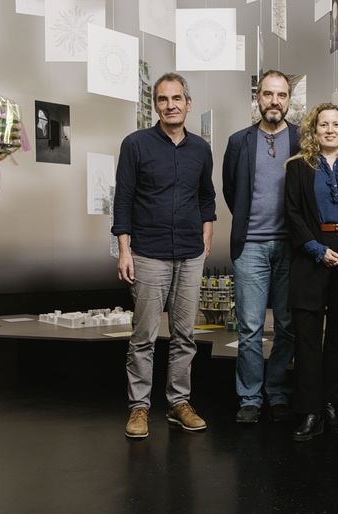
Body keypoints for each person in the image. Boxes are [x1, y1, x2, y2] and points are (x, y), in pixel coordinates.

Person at [112, 72, 216, 439]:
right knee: (144, 336)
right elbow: (123, 199)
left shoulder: (201, 149)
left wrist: (207, 233)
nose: (170, 105)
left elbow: (206, 196)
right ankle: (139, 408)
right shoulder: (135, 144)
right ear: (155, 105)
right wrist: (124, 251)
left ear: (188, 104)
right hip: (148, 253)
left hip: (190, 253)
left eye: (176, 99)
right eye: (162, 99)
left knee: (185, 335)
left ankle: (178, 403)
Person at [284, 103, 338, 442]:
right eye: (324, 124)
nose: (330, 130)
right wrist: (318, 250)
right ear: (314, 130)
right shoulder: (297, 167)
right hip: (311, 256)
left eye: (336, 124)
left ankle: (334, 404)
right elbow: (292, 214)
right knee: (307, 340)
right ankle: (311, 411)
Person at [223, 70, 300, 425]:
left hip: (292, 247)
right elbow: (231, 191)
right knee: (250, 328)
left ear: (288, 100)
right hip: (250, 245)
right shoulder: (239, 141)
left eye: (281, 95)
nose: (274, 101)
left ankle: (278, 393)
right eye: (268, 94)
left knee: (286, 325)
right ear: (258, 97)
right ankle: (250, 398)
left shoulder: (302, 140)